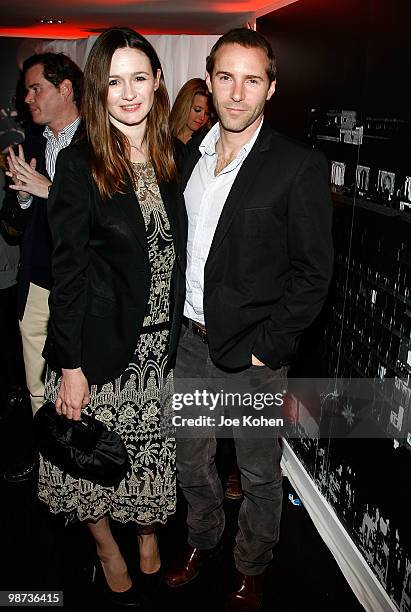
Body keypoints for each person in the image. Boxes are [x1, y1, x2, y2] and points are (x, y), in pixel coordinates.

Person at [165, 28, 333, 611]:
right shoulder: (188, 156)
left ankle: (251, 564)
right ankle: (202, 539)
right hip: (187, 343)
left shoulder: (296, 166)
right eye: (227, 77)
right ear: (209, 81)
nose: (237, 93)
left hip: (253, 357)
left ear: (271, 89)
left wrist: (270, 348)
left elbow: (313, 273)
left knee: (258, 473)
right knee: (192, 459)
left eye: (252, 79)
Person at [38, 27, 185, 605]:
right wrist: (70, 365)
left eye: (139, 79)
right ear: (98, 90)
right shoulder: (80, 165)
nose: (128, 94)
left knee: (148, 458)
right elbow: (68, 274)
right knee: (89, 459)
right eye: (114, 82)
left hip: (155, 351)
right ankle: (105, 545)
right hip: (97, 350)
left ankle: (147, 532)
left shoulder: (175, 158)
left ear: (157, 82)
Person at [5, 52, 83, 417]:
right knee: (37, 386)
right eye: (27, 90)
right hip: (37, 283)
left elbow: (110, 217)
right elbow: (10, 227)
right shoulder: (29, 148)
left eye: (36, 88)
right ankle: (46, 468)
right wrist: (22, 197)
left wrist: (50, 191)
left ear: (65, 89)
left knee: (80, 386)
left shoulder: (100, 144)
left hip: (84, 285)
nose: (28, 98)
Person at [169, 77, 211, 144]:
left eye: (207, 113)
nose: (202, 118)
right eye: (197, 110)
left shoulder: (208, 142)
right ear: (183, 105)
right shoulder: (162, 135)